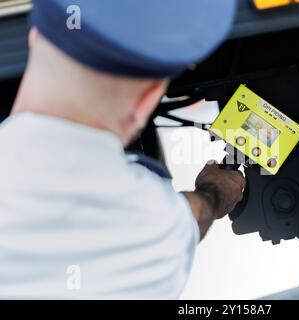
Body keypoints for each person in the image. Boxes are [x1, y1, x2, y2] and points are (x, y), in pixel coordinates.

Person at [0, 0, 245, 299]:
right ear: (147, 101)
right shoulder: (161, 234)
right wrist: (214, 192)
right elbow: (196, 215)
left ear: (34, 37)